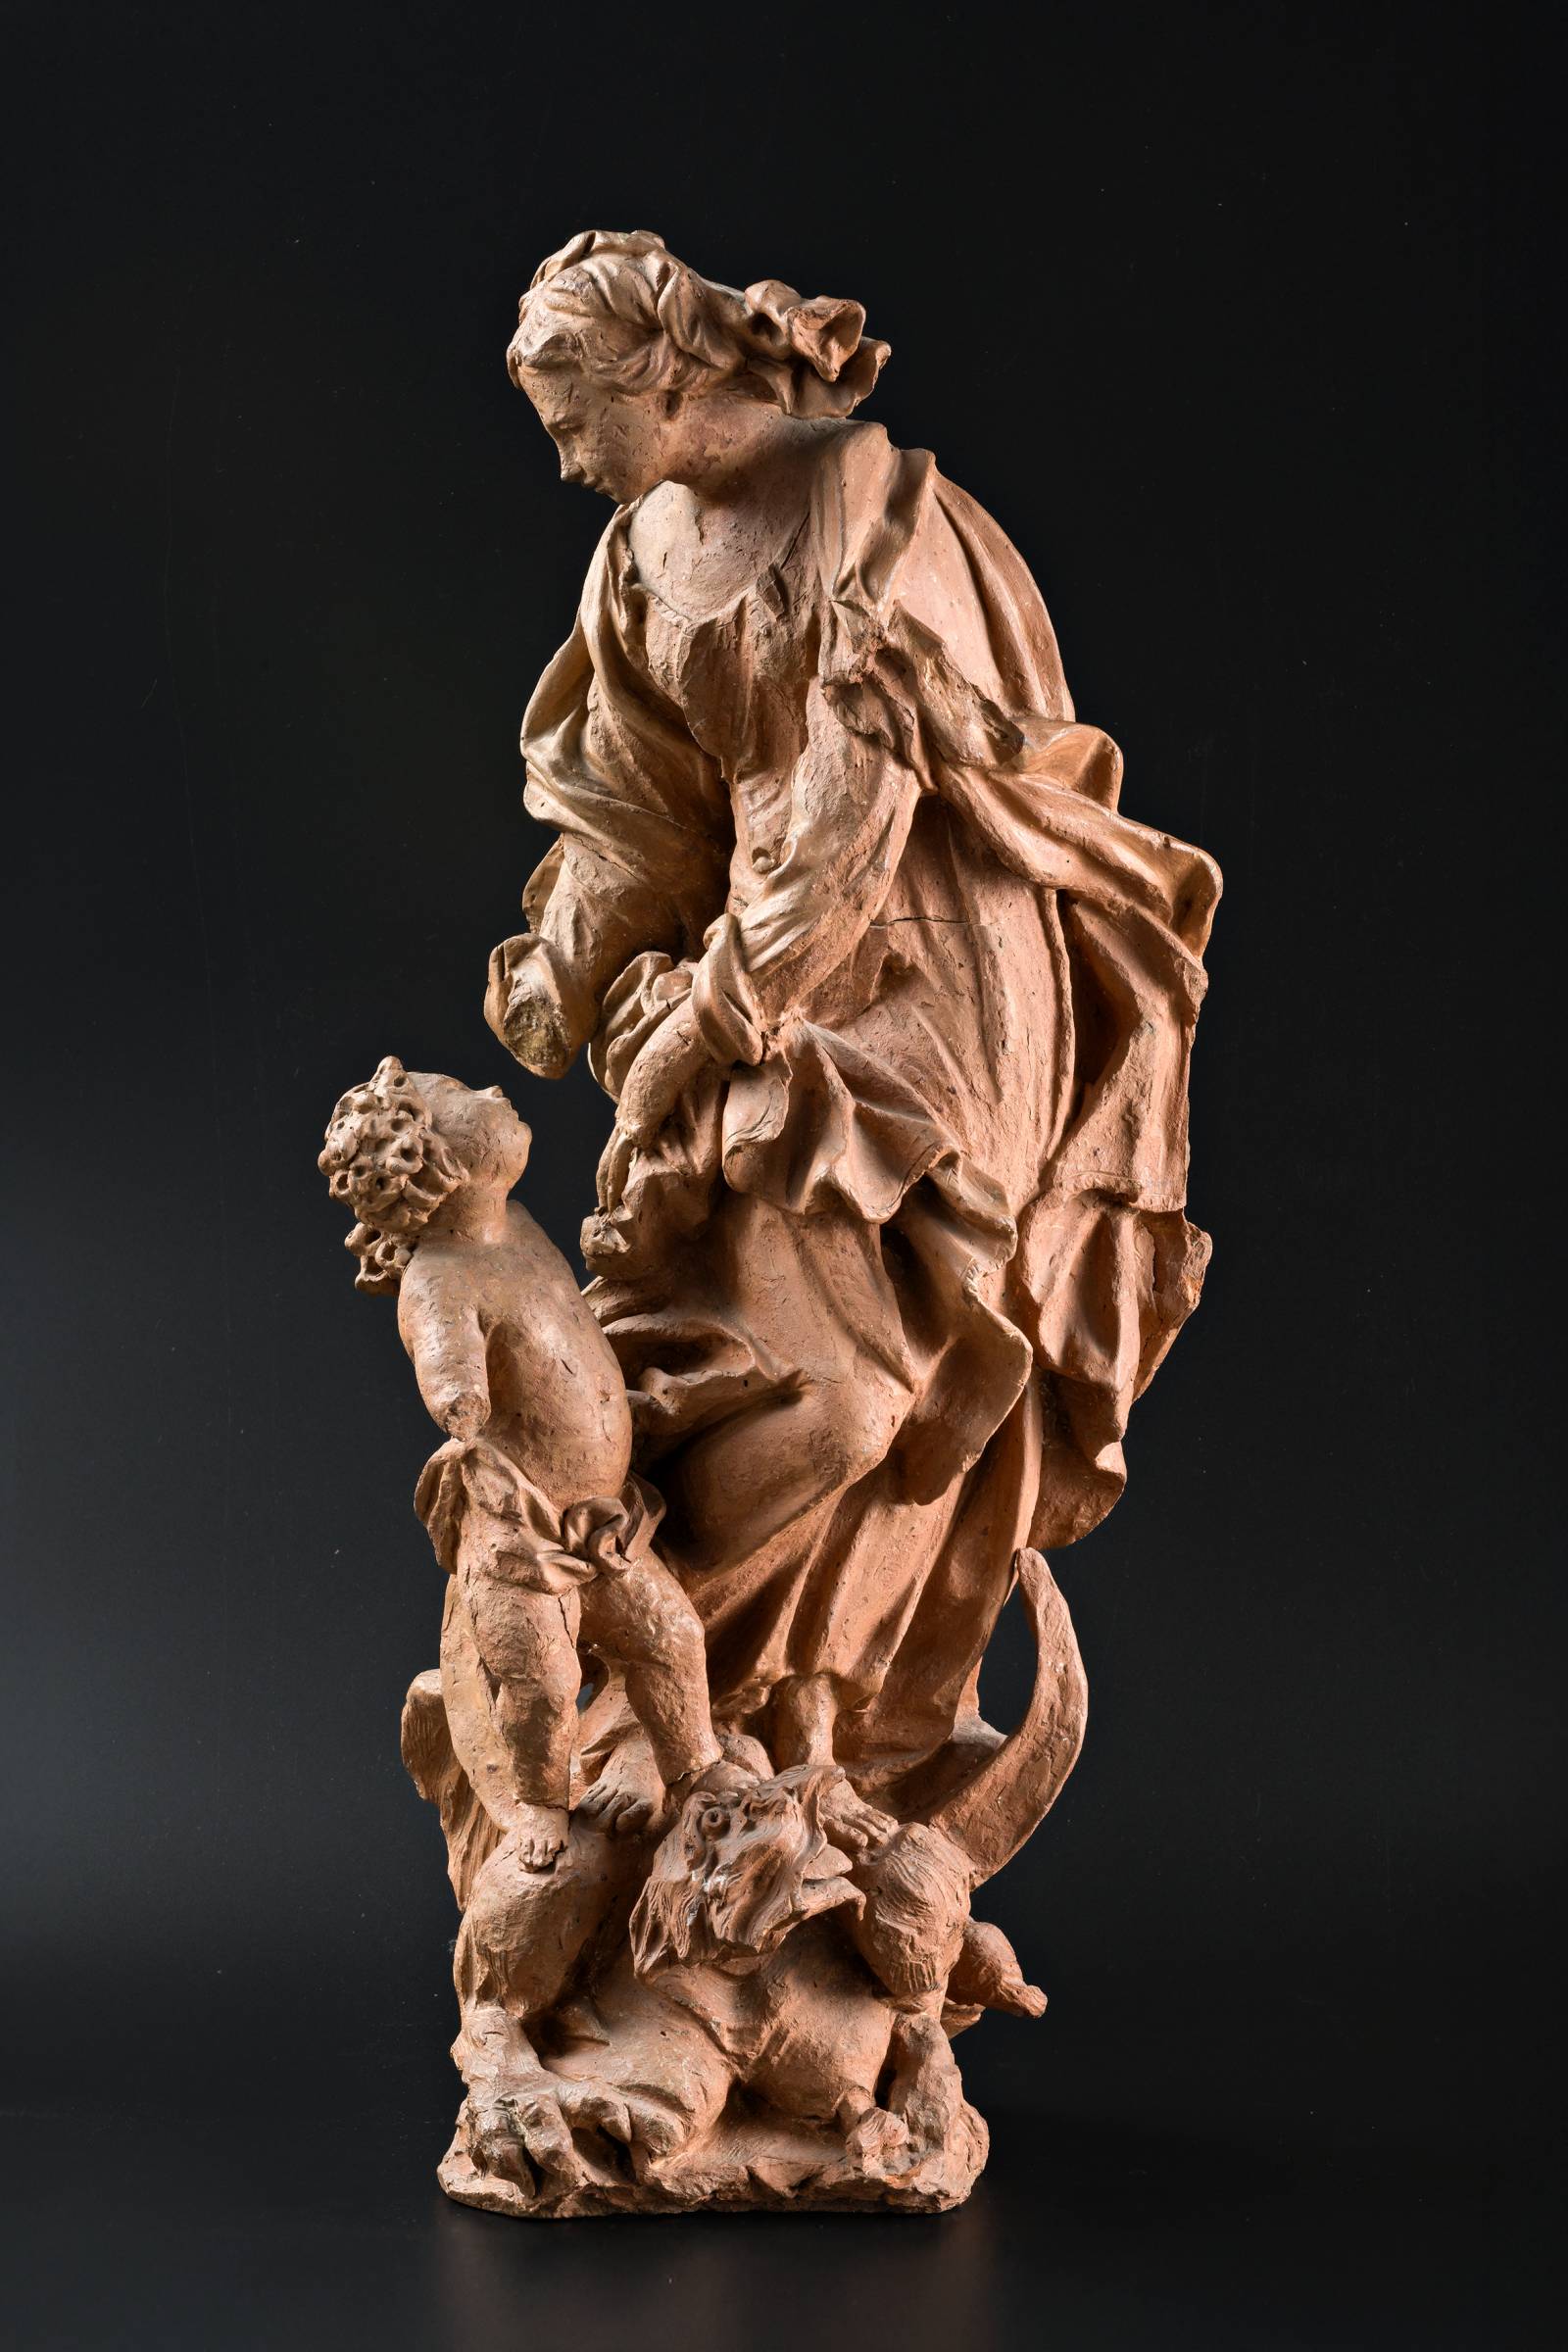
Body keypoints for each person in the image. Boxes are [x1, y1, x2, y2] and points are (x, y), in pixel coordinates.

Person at [485, 231, 1219, 1772]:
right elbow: (641, 815)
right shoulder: (638, 552)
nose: (564, 466)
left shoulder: (865, 518)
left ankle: (780, 1714)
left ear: (660, 377)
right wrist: (563, 973)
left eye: (573, 423)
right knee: (793, 1371)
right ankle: (695, 1714)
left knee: (890, 1383)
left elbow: (851, 812)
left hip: (927, 966)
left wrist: (702, 1025)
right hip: (766, 965)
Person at [319, 1055, 726, 1866]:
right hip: (522, 1540)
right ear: (427, 1162)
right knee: (542, 1687)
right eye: (460, 1098)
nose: (492, 1092)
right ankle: (542, 1802)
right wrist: (457, 1395)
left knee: (672, 1637)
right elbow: (445, 1364)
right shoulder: (438, 1280)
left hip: (601, 1520)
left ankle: (697, 1771)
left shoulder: (517, 1224)